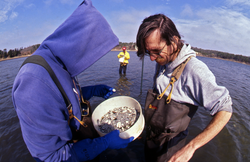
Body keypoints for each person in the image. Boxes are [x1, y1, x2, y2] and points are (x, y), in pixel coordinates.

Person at [12, 1, 133, 162]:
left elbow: (63, 98)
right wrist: (103, 143)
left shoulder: (58, 61)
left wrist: (93, 91)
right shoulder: (32, 87)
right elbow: (51, 156)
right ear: (79, 44)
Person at [136, 14, 233, 162]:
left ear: (174, 41)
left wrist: (191, 147)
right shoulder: (163, 61)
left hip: (170, 148)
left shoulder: (195, 70)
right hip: (152, 136)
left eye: (156, 51)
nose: (152, 58)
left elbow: (225, 109)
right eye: (149, 52)